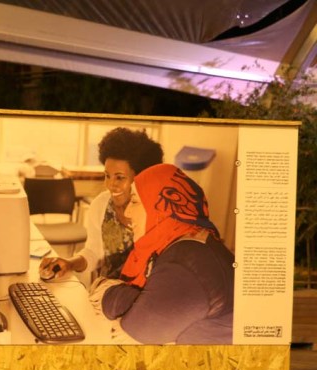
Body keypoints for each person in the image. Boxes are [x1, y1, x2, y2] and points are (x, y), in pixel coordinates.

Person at [91, 163, 234, 344]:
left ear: (161, 209)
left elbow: (138, 329)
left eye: (135, 202)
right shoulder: (184, 241)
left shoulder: (185, 264)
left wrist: (109, 294)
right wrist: (141, 303)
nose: (127, 212)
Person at [40, 127, 164, 281]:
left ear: (141, 177)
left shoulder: (159, 212)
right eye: (107, 176)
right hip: (107, 294)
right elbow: (93, 253)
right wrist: (69, 263)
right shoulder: (101, 204)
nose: (111, 185)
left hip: (147, 296)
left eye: (119, 178)